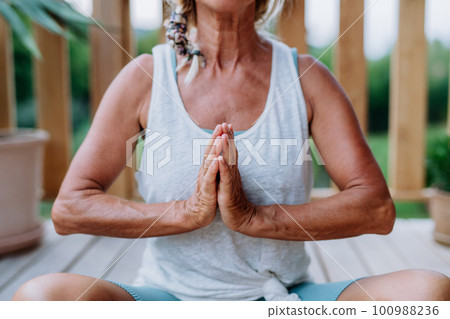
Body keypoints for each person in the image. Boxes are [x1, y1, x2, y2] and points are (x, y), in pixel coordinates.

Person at [13, 0, 449, 301]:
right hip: (169, 299)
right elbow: (70, 208)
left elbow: (376, 208)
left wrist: (256, 218)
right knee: (39, 297)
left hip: (286, 299)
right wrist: (186, 212)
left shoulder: (306, 77)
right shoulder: (145, 76)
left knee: (429, 292)